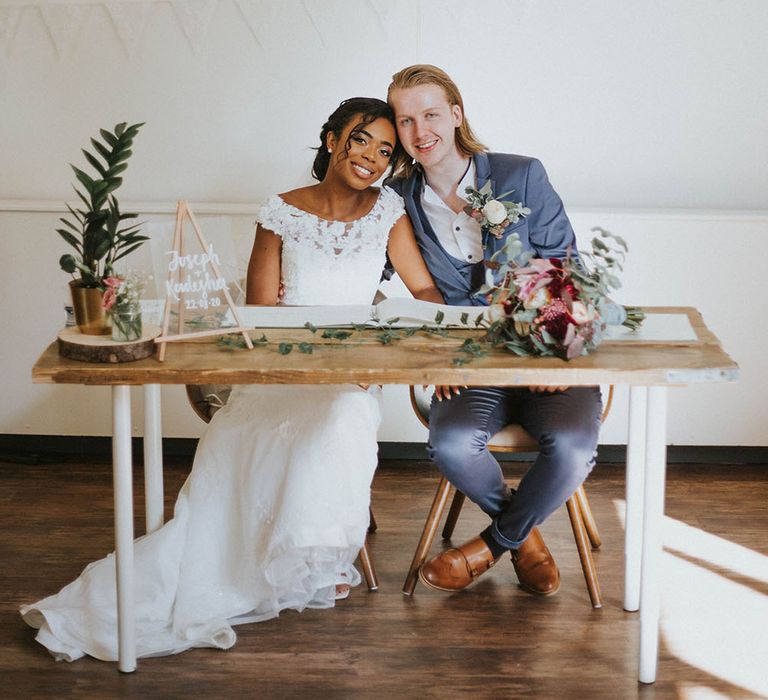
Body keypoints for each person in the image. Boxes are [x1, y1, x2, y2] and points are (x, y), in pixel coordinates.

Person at [20, 97, 443, 662]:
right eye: (361, 139)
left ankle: (316, 558)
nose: (371, 156)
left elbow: (425, 293)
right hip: (278, 368)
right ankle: (238, 560)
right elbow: (258, 312)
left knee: (341, 418)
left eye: (385, 150)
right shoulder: (281, 211)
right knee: (242, 434)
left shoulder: (388, 213)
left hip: (352, 375)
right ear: (331, 140)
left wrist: (399, 335)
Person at [386, 65, 602, 596]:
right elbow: (363, 274)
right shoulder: (396, 200)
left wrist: (554, 353)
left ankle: (487, 547)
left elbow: (564, 269)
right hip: (466, 365)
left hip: (543, 351)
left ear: (456, 114)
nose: (420, 131)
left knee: (573, 447)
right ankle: (522, 541)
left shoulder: (521, 174)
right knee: (453, 444)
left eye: (431, 114)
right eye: (405, 119)